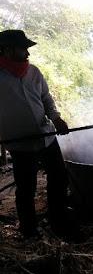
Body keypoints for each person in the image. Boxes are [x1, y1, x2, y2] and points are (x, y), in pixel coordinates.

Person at [0, 29, 71, 239]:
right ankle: (30, 231)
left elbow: (46, 99)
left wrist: (56, 119)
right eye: (23, 49)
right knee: (26, 189)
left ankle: (59, 221)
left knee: (59, 179)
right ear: (7, 50)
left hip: (46, 137)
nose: (27, 54)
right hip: (20, 145)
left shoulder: (34, 72)